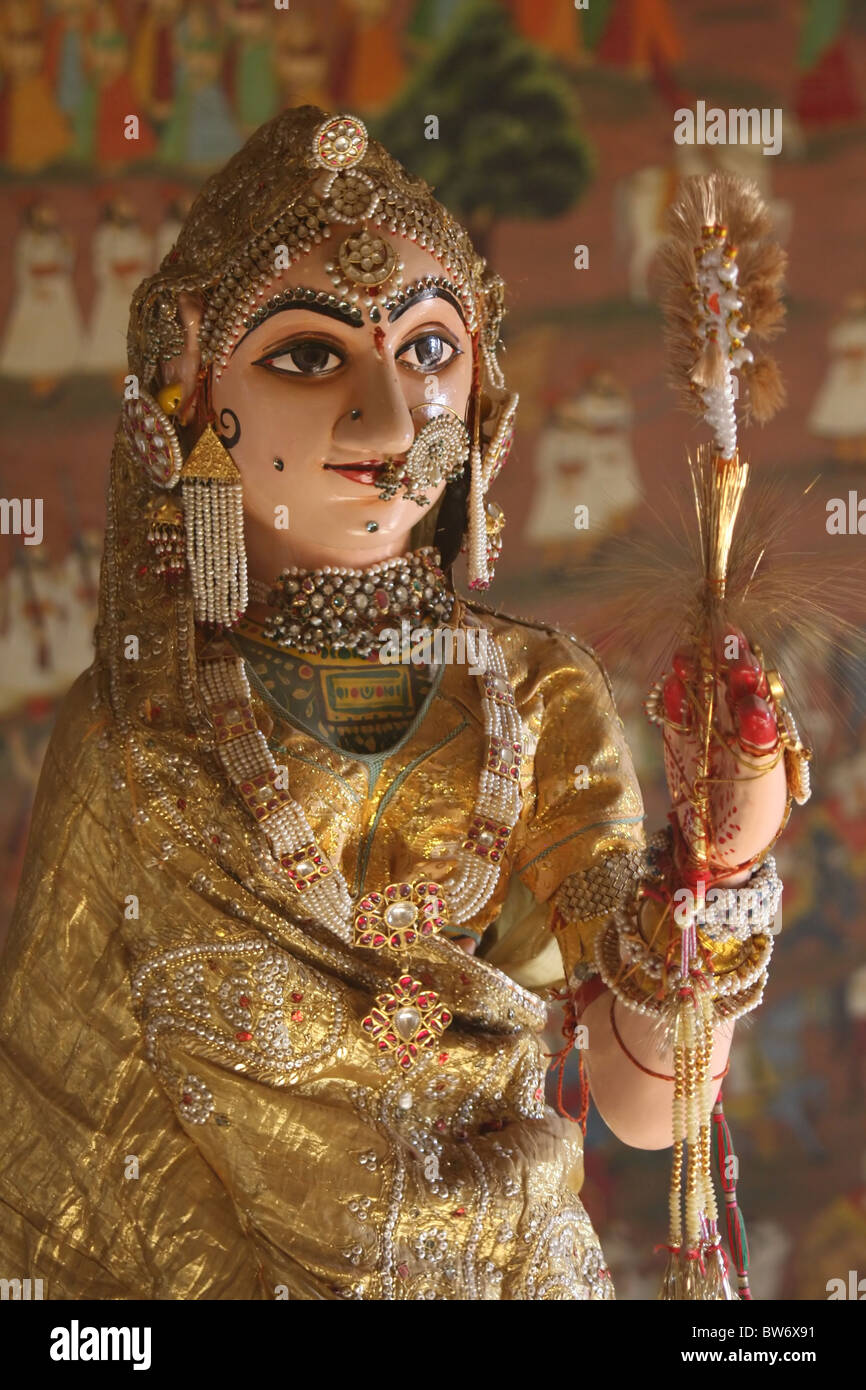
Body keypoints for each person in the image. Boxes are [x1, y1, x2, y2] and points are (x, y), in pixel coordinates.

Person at [0, 107, 798, 1300]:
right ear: (184, 394)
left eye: (427, 349)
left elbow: (645, 1104)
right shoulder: (136, 735)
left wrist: (714, 874)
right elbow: (64, 1132)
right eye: (308, 356)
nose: (389, 421)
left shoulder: (534, 699)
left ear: (482, 391)